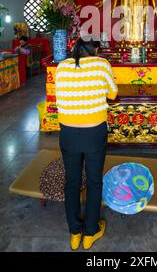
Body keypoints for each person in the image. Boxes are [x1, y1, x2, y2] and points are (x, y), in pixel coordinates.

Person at [55, 37, 117, 250]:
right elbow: (113, 93)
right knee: (93, 182)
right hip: (94, 133)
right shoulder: (101, 64)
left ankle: (74, 233)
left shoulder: (61, 67)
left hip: (68, 133)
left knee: (71, 182)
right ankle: (90, 233)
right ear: (96, 50)